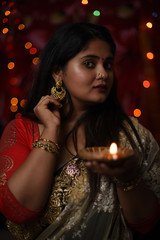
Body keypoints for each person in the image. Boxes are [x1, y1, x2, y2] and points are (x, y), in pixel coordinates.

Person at [0, 22, 160, 240]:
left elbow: (146, 223)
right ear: (58, 72)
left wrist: (128, 178)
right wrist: (51, 130)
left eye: (108, 65)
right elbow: (20, 211)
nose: (103, 73)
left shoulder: (131, 134)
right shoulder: (22, 130)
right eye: (89, 64)